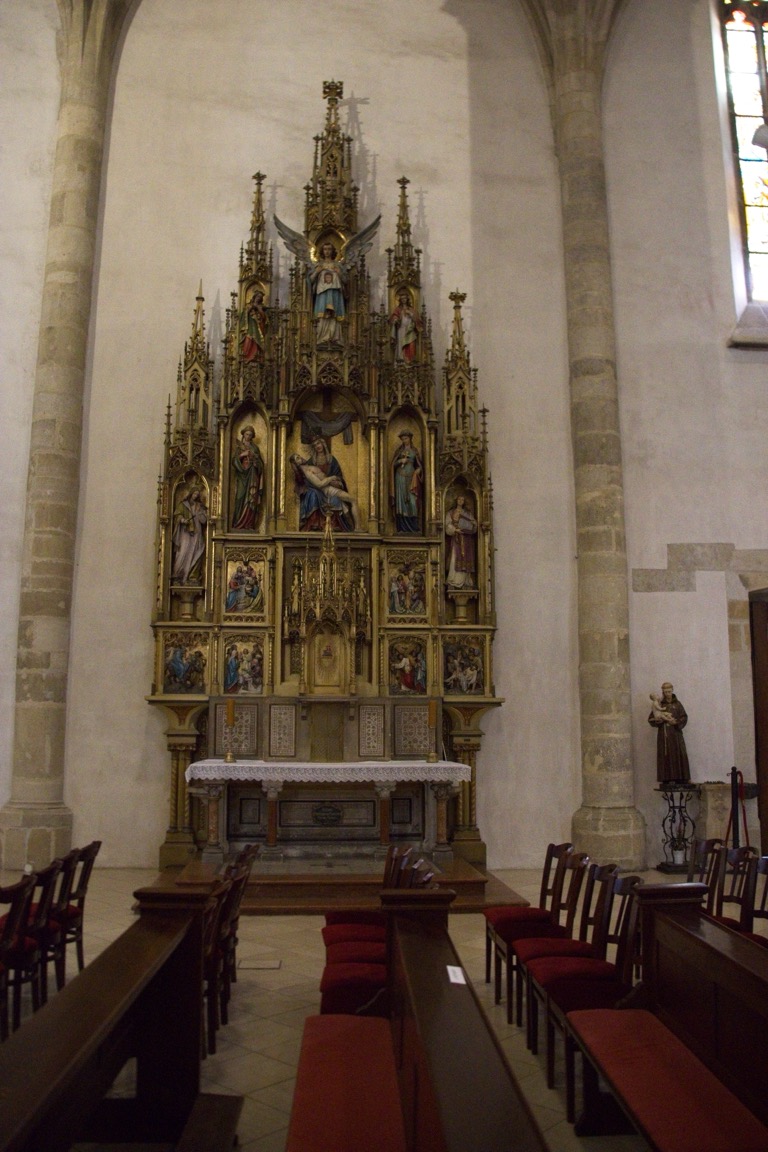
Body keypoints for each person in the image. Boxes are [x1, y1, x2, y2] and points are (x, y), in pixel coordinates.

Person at [291, 436, 355, 531]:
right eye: (315, 445)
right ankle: (315, 524)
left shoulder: (331, 460)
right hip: (317, 488)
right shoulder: (310, 462)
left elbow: (338, 475)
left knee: (338, 500)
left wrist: (338, 482)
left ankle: (336, 525)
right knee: (313, 494)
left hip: (330, 486)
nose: (317, 446)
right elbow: (305, 480)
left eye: (319, 443)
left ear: (323, 444)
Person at [648, 681, 690, 783]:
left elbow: (684, 717)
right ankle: (666, 779)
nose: (668, 694)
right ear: (663, 692)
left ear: (672, 691)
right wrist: (660, 720)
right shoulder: (660, 704)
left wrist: (675, 722)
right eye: (665, 692)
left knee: (680, 753)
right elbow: (651, 719)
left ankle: (682, 778)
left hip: (676, 734)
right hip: (664, 734)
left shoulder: (678, 704)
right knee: (666, 755)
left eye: (669, 691)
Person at [309, 241, 345, 342]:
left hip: (335, 294)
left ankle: (335, 338)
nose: (327, 251)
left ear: (333, 251)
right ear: (322, 251)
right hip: (322, 295)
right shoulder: (318, 265)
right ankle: (321, 339)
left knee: (334, 315)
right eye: (325, 249)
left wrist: (340, 274)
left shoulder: (337, 265)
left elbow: (346, 281)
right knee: (322, 315)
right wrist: (317, 272)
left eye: (329, 249)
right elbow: (310, 281)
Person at [171, 486, 207, 585]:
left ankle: (192, 577)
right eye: (194, 494)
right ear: (191, 493)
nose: (195, 496)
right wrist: (182, 520)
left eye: (197, 495)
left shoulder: (199, 506)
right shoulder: (183, 505)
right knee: (183, 552)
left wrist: (201, 514)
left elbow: (204, 521)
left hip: (197, 533)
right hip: (185, 533)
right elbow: (177, 515)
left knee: (196, 551)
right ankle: (178, 576)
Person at [231, 425, 264, 530]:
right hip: (242, 475)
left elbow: (261, 464)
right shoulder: (239, 447)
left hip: (253, 475)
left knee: (251, 499)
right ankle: (237, 523)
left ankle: (249, 524)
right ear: (243, 434)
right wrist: (242, 455)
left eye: (250, 435)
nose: (248, 436)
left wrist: (256, 464)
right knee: (240, 497)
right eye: (246, 434)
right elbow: (234, 461)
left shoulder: (255, 448)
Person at [390, 429, 423, 533]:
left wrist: (418, 470)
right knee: (401, 502)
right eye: (403, 439)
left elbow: (419, 465)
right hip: (399, 477)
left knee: (412, 502)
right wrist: (400, 461)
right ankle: (401, 528)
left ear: (410, 438)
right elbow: (393, 465)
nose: (405, 440)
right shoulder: (399, 451)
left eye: (406, 438)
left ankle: (414, 527)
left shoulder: (414, 451)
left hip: (412, 478)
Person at [444, 494, 478, 588]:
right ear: (456, 500)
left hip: (467, 540)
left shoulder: (468, 513)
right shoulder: (451, 513)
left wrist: (474, 524)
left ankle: (465, 581)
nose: (460, 501)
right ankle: (453, 580)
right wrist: (455, 530)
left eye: (462, 499)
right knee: (455, 557)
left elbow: (473, 528)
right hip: (457, 538)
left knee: (466, 558)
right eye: (459, 499)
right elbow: (447, 525)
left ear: (464, 502)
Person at [390, 289, 420, 362]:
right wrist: (395, 319)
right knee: (400, 345)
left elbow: (418, 319)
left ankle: (409, 361)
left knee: (410, 346)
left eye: (405, 298)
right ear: (400, 299)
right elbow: (393, 317)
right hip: (401, 330)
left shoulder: (411, 309)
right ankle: (401, 360)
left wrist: (411, 314)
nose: (404, 300)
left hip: (410, 331)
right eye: (402, 298)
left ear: (407, 299)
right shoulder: (398, 309)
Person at [240, 290, 267, 362]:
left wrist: (258, 308)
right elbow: (244, 314)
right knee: (248, 339)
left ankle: (256, 357)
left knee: (257, 342)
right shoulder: (249, 305)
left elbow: (264, 318)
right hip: (250, 327)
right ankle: (245, 358)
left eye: (260, 297)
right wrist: (252, 307)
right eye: (258, 296)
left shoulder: (261, 307)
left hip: (259, 329)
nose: (258, 298)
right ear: (254, 297)